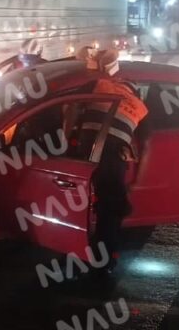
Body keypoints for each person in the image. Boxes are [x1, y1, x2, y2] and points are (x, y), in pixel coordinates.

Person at [75, 49, 147, 273]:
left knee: (93, 205)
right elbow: (143, 138)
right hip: (113, 158)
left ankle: (96, 256)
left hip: (89, 155)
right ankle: (104, 258)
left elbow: (71, 106)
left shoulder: (98, 86)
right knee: (110, 208)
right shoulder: (138, 104)